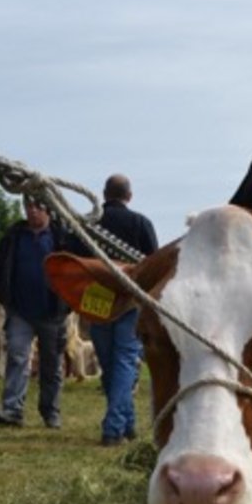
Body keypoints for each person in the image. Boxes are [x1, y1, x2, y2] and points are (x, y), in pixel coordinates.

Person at [0, 196, 85, 428]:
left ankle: (50, 412)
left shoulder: (62, 239)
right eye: (28, 207)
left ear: (48, 210)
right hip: (20, 311)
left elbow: (77, 270)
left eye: (37, 207)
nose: (32, 212)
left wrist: (67, 303)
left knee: (51, 365)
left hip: (52, 313)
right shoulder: (13, 237)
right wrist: (5, 299)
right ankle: (12, 409)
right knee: (17, 357)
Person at [94, 174, 159, 445]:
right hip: (129, 302)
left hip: (96, 299)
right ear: (129, 196)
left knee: (110, 362)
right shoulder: (141, 223)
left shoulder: (90, 223)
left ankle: (125, 422)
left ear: (104, 194)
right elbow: (153, 263)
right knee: (123, 360)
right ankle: (115, 428)